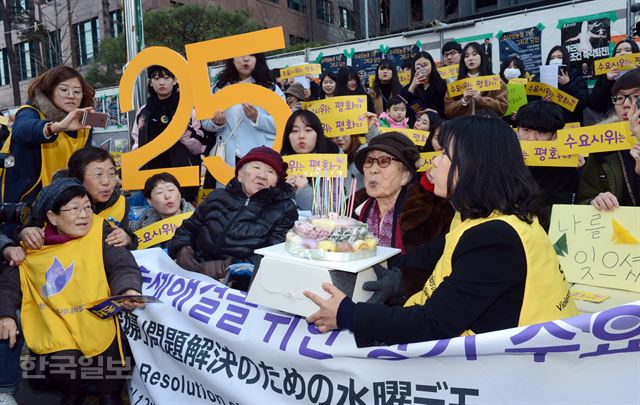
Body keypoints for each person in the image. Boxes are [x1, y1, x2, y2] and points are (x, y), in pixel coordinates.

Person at [304, 116, 578, 346]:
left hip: (517, 370)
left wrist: (348, 315)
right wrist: (365, 259)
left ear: (474, 164)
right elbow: (425, 255)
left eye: (445, 154)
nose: (433, 162)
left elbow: (433, 324)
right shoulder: (478, 217)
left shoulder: (497, 237)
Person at [0, 178, 143, 405]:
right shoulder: (33, 247)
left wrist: (128, 288)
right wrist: (6, 314)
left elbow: (121, 264)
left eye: (87, 207)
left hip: (98, 322)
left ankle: (109, 394)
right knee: (64, 367)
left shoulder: (102, 231)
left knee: (109, 367)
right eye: (74, 209)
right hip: (56, 326)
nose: (84, 215)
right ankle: (74, 392)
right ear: (52, 217)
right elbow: (10, 283)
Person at [168, 146, 298, 286]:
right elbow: (188, 229)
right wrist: (182, 250)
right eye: (256, 167)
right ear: (240, 175)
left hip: (235, 284)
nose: (262, 175)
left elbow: (272, 255)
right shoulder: (217, 196)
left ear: (277, 182)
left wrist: (224, 268)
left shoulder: (285, 209)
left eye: (270, 171)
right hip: (189, 273)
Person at [353, 133, 454, 296]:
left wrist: (403, 285)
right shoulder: (353, 205)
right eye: (369, 161)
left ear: (405, 175)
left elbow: (439, 269)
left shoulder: (430, 211)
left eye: (384, 161)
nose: (373, 169)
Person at [0, 66, 94, 206]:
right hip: (25, 204)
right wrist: (55, 128)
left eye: (77, 92)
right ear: (49, 91)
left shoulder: (83, 125)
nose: (71, 95)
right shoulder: (29, 112)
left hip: (64, 203)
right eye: (63, 90)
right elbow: (22, 131)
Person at [20, 147, 138, 250]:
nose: (106, 182)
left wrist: (127, 239)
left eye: (111, 174)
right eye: (98, 174)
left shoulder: (120, 203)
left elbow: (129, 237)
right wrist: (26, 232)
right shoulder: (50, 198)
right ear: (77, 177)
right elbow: (25, 228)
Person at [201, 53, 285, 179]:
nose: (246, 59)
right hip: (228, 157)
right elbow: (205, 122)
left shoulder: (270, 88)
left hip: (261, 154)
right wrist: (217, 123)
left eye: (251, 55)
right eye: (240, 55)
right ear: (232, 59)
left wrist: (257, 118)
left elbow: (284, 123)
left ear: (258, 59)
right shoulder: (218, 88)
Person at [577, 68, 640, 210]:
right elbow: (584, 198)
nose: (626, 104)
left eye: (635, 96)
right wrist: (595, 202)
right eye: (619, 98)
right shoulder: (602, 146)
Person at [516, 101, 578, 227]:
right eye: (526, 130)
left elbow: (560, 211)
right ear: (517, 130)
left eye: (541, 132)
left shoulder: (566, 167)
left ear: (554, 135)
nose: (531, 138)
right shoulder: (505, 160)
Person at [281, 110, 340, 210]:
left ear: (318, 134)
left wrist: (303, 191)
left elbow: (335, 211)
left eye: (308, 130)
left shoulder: (333, 164)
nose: (301, 136)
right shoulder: (279, 166)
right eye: (295, 131)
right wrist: (283, 191)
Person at [444, 42, 508, 118]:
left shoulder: (495, 80)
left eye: (474, 54)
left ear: (481, 56)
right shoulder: (456, 84)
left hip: (488, 126)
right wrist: (463, 101)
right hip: (464, 127)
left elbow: (503, 107)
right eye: (466, 56)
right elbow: (448, 110)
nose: (470, 58)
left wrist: (480, 99)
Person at [588, 39, 640, 117]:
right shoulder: (606, 76)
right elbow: (595, 104)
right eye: (618, 51)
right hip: (615, 121)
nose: (622, 53)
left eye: (628, 50)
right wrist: (607, 81)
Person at [131, 172, 195, 235]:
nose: (167, 196)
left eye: (171, 190)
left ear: (179, 194)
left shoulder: (196, 219)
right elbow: (131, 229)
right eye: (159, 192)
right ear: (150, 201)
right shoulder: (146, 218)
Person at [544, 46, 589, 124]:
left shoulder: (576, 77)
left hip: (571, 125)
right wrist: (543, 101)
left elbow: (583, 103)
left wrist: (568, 84)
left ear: (565, 59)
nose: (555, 60)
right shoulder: (542, 78)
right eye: (552, 58)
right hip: (549, 125)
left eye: (559, 57)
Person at [401, 51, 447, 120]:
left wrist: (435, 112)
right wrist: (412, 87)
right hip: (417, 126)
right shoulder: (408, 88)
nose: (422, 68)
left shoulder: (442, 84)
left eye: (425, 65)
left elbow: (448, 108)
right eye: (418, 66)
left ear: (432, 65)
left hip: (438, 122)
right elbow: (403, 108)